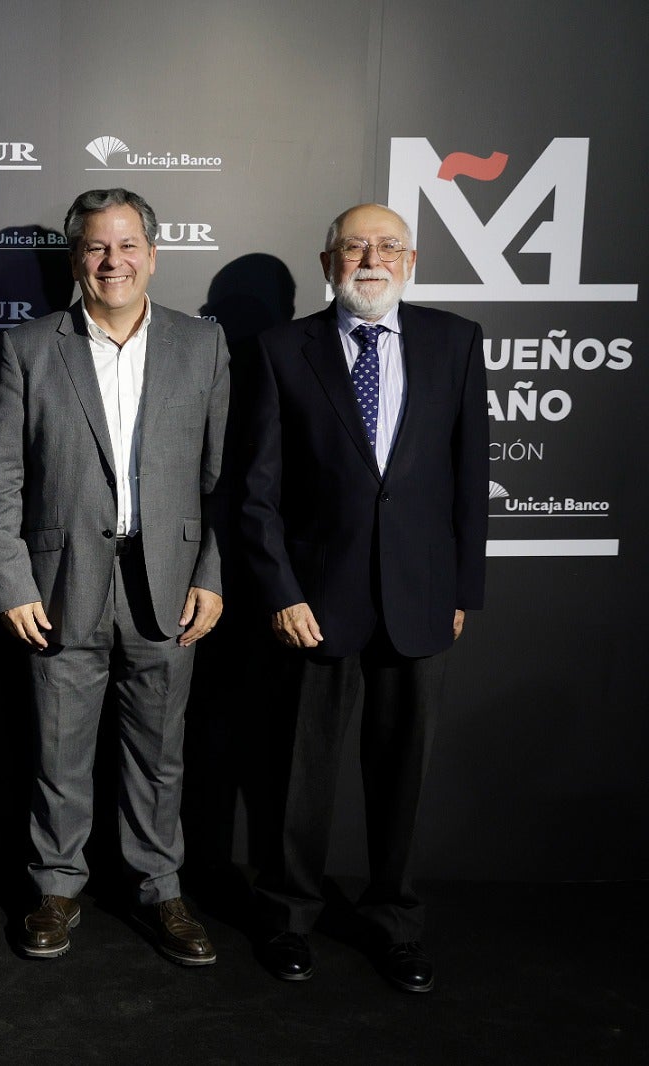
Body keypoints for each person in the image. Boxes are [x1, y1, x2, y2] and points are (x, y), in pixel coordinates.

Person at [240, 203, 488, 993]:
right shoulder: (282, 350)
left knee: (403, 775)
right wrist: (280, 591)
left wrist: (461, 589)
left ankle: (395, 923)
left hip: (421, 599)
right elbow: (256, 492)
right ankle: (288, 919)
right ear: (328, 262)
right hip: (317, 602)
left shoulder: (455, 342)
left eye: (387, 247)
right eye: (355, 248)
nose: (370, 259)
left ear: (410, 263)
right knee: (298, 777)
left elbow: (470, 480)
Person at [0, 189, 230, 964]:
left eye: (126, 247)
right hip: (59, 584)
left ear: (153, 255)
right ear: (75, 258)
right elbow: (1, 484)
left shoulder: (204, 346)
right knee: (60, 749)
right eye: (95, 248)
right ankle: (57, 887)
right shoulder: (29, 347)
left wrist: (213, 575)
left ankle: (161, 889)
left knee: (160, 753)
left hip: (170, 582)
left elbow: (227, 480)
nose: (111, 262)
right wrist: (12, 580)